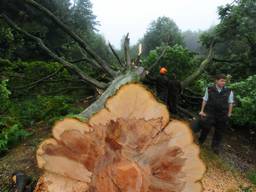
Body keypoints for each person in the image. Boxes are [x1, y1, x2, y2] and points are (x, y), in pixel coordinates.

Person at [198, 74, 234, 154]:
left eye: (224, 81)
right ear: (216, 80)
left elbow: (230, 103)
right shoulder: (210, 89)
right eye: (222, 81)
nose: (223, 83)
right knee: (206, 127)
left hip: (222, 114)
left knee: (219, 131)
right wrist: (202, 110)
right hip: (210, 112)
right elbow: (205, 100)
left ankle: (215, 147)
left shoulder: (229, 91)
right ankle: (200, 142)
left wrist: (229, 113)